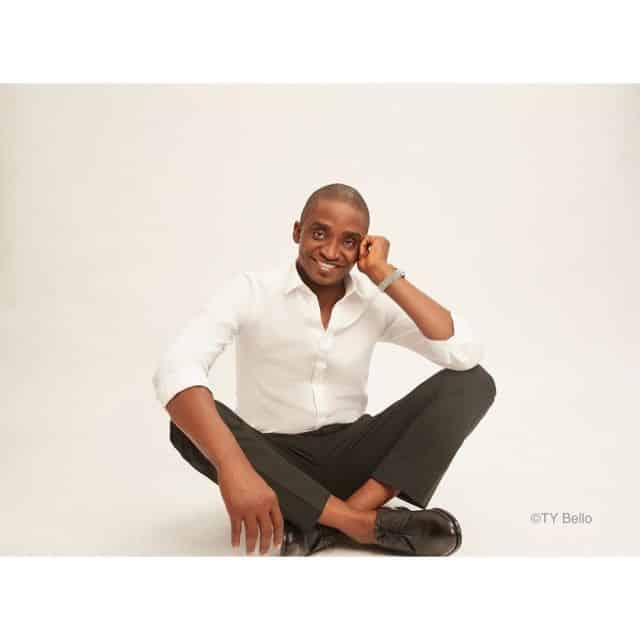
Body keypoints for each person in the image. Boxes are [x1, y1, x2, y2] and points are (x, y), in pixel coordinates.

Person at [152, 183, 496, 556]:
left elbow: (464, 352)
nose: (331, 252)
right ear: (297, 231)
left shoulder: (374, 301)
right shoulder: (252, 291)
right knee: (187, 423)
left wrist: (385, 274)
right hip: (272, 462)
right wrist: (233, 466)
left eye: (349, 241)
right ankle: (360, 525)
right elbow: (176, 367)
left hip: (353, 456)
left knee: (474, 383)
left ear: (363, 247)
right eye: (319, 233)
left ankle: (333, 523)